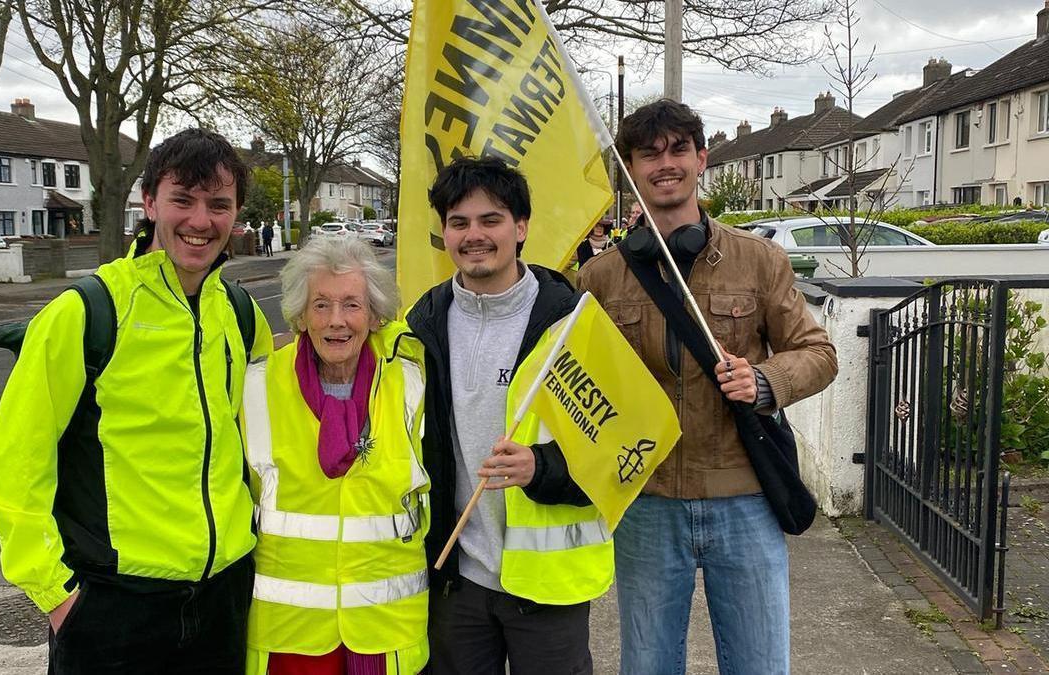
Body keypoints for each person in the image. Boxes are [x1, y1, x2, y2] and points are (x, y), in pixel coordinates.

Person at [0, 128, 274, 674]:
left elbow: (257, 443)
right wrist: (59, 596)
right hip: (113, 606)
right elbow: (15, 465)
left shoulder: (240, 313)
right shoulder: (86, 310)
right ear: (149, 203)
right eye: (182, 199)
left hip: (223, 596)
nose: (200, 220)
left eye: (219, 204)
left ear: (236, 214)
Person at [577, 99, 838, 674]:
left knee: (758, 665)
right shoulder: (598, 278)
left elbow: (819, 354)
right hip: (646, 503)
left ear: (702, 159)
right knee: (647, 665)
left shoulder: (760, 260)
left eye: (677, 150)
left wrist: (764, 380)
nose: (664, 164)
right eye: (648, 154)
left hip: (744, 497)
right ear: (630, 168)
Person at [406, 157, 613, 674]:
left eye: (490, 220)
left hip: (546, 587)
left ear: (520, 228)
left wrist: (541, 469)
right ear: (445, 234)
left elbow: (618, 452)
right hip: (457, 579)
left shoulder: (573, 322)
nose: (474, 235)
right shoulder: (420, 324)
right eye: (459, 222)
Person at [242, 236, 429, 675]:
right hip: (290, 633)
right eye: (321, 305)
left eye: (351, 305)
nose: (336, 321)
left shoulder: (410, 380)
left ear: (375, 314)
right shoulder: (257, 384)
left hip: (388, 628)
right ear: (301, 316)